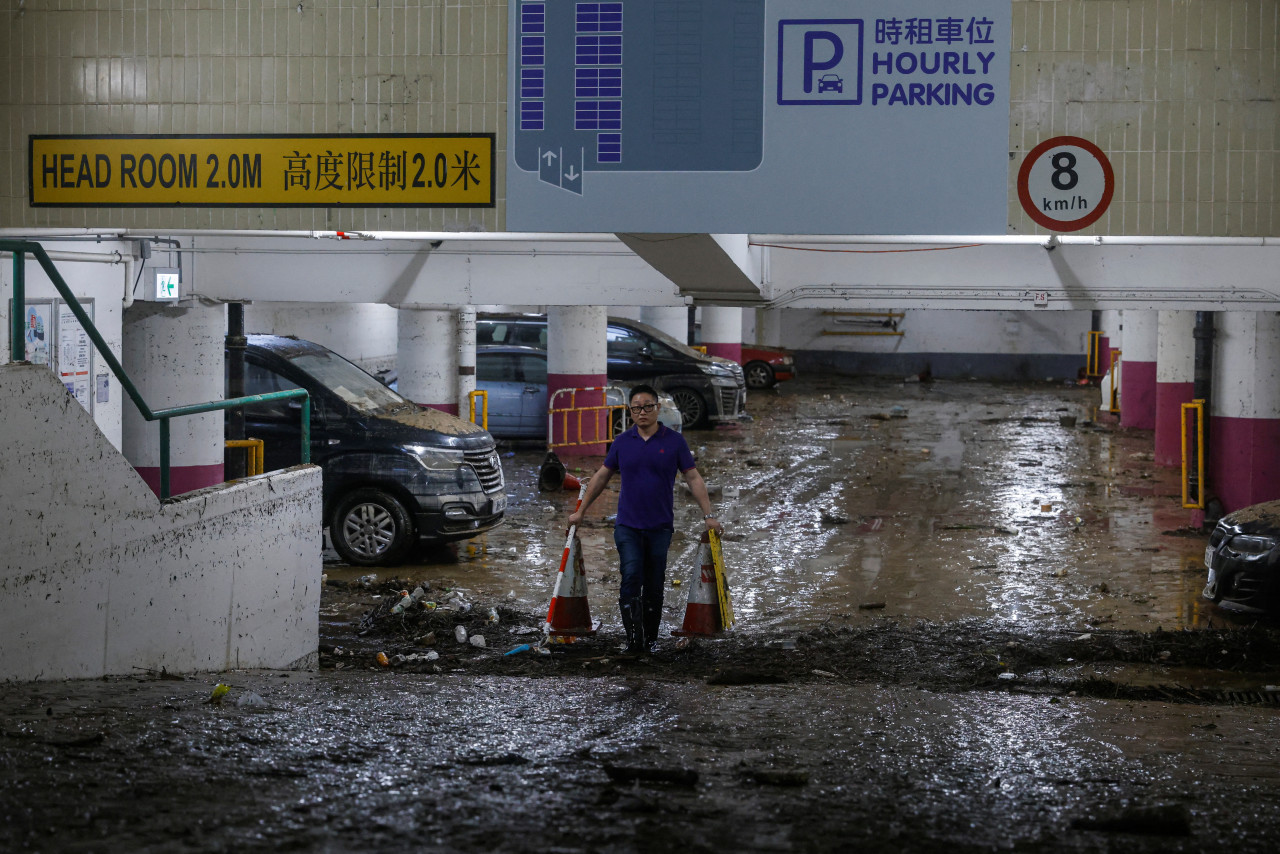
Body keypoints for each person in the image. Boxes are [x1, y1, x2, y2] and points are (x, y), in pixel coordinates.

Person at [568, 384, 723, 655]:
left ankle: (650, 640)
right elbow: (602, 475)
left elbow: (693, 477)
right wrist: (580, 511)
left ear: (657, 409)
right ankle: (632, 640)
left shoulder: (674, 442)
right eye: (637, 408)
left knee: (654, 584)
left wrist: (708, 515)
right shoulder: (622, 442)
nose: (642, 412)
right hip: (627, 525)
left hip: (660, 527)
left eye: (648, 406)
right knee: (630, 577)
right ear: (630, 412)